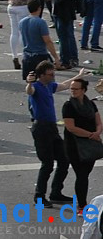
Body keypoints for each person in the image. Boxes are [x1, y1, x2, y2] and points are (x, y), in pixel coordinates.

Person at [25, 61, 81, 208]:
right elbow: (29, 91)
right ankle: (39, 196)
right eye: (50, 74)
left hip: (52, 128)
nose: (53, 77)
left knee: (64, 159)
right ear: (41, 75)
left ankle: (56, 192)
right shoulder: (36, 87)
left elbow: (64, 85)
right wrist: (29, 83)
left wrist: (78, 76)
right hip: (41, 128)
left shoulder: (49, 86)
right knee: (47, 163)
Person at [63, 77, 103, 211]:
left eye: (76, 89)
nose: (73, 91)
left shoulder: (90, 104)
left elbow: (98, 121)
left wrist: (97, 132)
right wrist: (91, 135)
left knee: (85, 172)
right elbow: (71, 127)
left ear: (83, 90)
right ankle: (82, 205)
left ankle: (82, 203)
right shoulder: (68, 105)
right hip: (74, 145)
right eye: (71, 88)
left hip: (90, 144)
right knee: (81, 174)